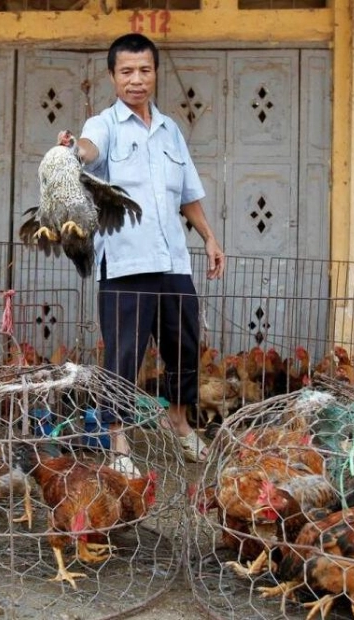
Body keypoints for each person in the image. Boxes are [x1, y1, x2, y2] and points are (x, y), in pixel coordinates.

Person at [76, 33, 225, 473]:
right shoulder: (103, 125)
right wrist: (72, 151)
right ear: (113, 76)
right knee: (124, 355)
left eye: (144, 70)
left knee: (184, 347)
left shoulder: (170, 130)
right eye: (126, 72)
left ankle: (177, 422)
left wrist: (209, 237)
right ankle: (118, 443)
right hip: (125, 263)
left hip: (173, 261)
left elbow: (188, 192)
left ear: (154, 73)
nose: (136, 80)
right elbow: (88, 150)